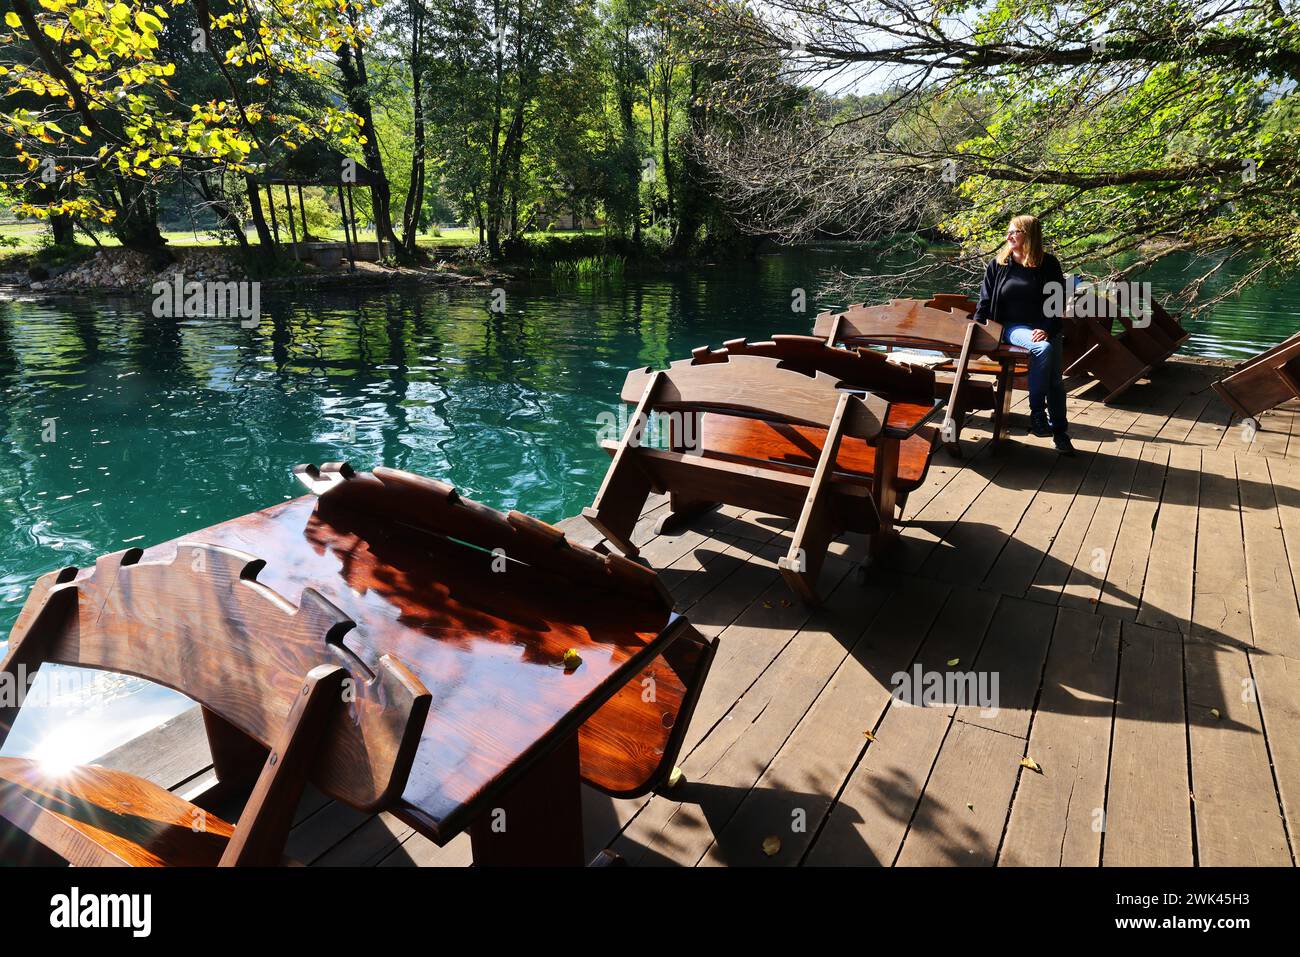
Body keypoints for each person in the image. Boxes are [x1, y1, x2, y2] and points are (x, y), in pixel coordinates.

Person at [972, 214, 1076, 456]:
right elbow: (984, 301)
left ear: (1028, 235)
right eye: (1008, 232)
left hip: (1046, 327)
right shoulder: (998, 265)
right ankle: (1037, 412)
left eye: (1014, 232)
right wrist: (978, 329)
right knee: (1042, 349)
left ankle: (1059, 433)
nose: (1008, 236)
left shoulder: (1048, 264)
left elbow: (1057, 300)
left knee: (1055, 383)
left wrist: (1046, 329)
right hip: (1012, 328)